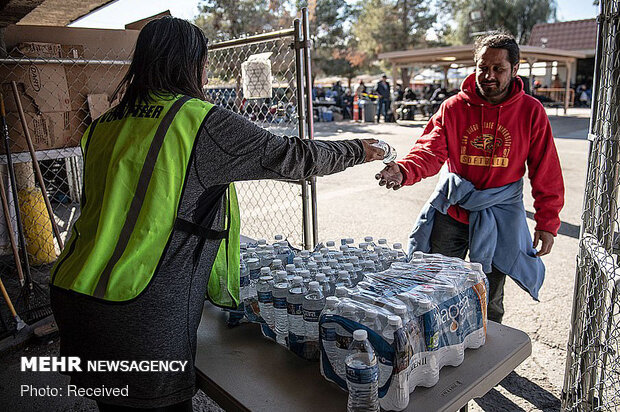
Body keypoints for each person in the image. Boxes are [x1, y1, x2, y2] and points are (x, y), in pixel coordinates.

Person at [50, 17, 385, 411]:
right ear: (194, 65)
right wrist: (359, 149)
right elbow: (294, 157)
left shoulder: (104, 124)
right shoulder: (197, 121)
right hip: (139, 309)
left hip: (74, 293)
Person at [375, 32, 564, 324]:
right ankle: (435, 343)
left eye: (497, 69)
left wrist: (548, 222)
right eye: (482, 67)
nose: (488, 75)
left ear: (515, 70)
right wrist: (404, 170)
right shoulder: (453, 107)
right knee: (434, 285)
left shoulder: (531, 112)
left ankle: (489, 355)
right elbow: (429, 151)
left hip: (499, 215)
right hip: (453, 209)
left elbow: (546, 169)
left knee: (490, 294)